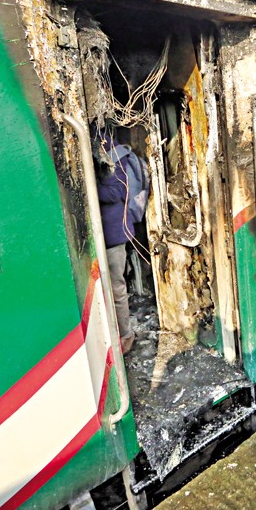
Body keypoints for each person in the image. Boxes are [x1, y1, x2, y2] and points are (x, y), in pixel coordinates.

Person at [97, 134, 148, 354]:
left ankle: (126, 335)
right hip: (102, 233)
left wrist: (86, 186)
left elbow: (117, 191)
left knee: (116, 287)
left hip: (113, 235)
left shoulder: (116, 155)